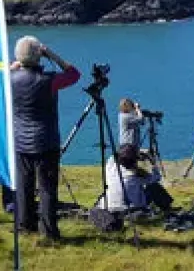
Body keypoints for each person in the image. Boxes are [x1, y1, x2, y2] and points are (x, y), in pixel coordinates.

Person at [9, 35, 81, 241]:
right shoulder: (49, 80)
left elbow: (1, 75)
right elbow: (74, 74)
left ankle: (24, 225)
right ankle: (49, 232)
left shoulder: (9, 80)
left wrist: (17, 64)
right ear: (39, 56)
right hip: (45, 141)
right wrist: (52, 55)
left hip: (21, 140)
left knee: (24, 186)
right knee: (47, 188)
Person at [98, 143, 172, 213]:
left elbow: (115, 156)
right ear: (134, 161)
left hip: (108, 206)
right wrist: (152, 161)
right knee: (154, 187)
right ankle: (167, 209)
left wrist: (135, 153)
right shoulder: (134, 176)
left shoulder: (110, 166)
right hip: (129, 208)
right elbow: (157, 177)